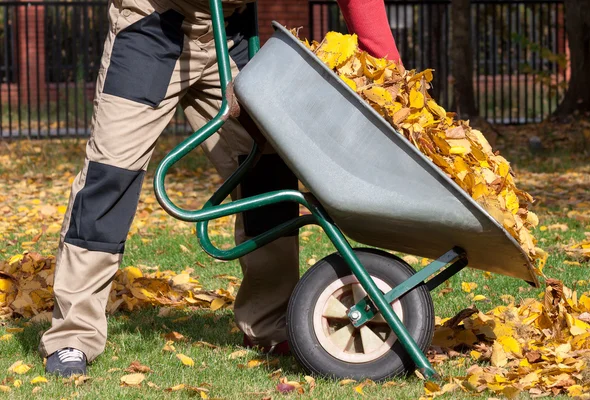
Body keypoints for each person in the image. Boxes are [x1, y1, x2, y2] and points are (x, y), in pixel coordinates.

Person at [40, 0, 402, 377]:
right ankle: (73, 336)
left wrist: (390, 73)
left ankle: (270, 323)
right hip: (153, 26)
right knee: (110, 173)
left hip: (230, 32)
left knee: (266, 170)